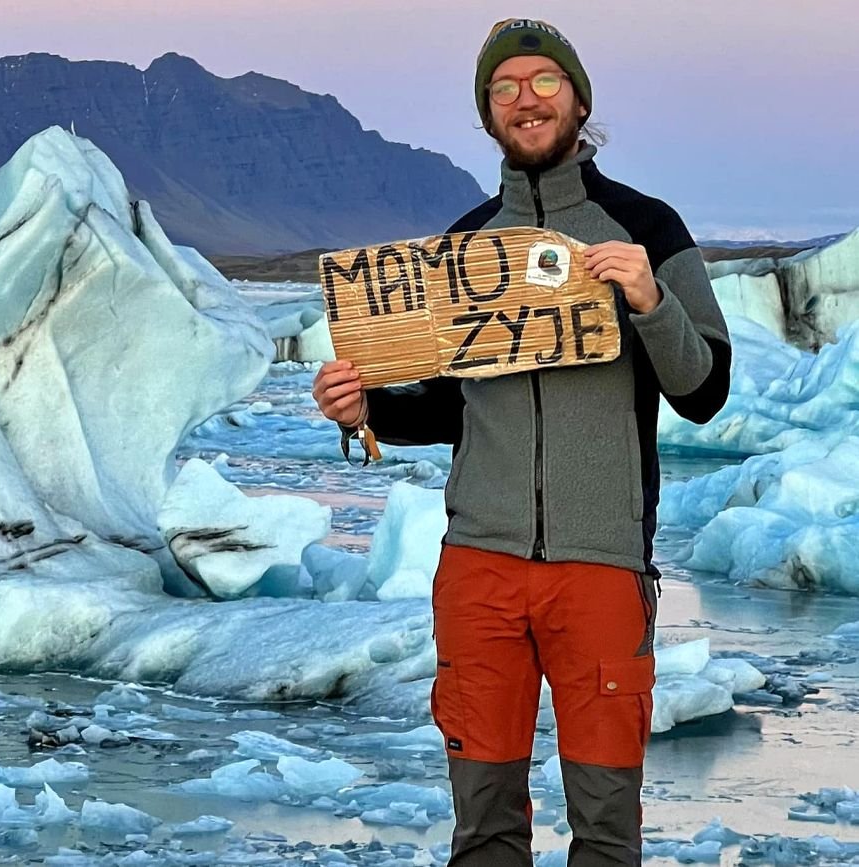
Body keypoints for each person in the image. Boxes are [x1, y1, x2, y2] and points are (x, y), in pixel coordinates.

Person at [313, 18, 731, 867]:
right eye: (504, 89)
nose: (526, 100)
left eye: (543, 82)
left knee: (607, 830)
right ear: (487, 114)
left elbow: (704, 391)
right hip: (482, 569)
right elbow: (447, 407)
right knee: (486, 829)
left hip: (601, 568)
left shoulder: (648, 227)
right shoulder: (463, 247)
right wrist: (364, 410)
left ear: (579, 98)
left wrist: (652, 300)